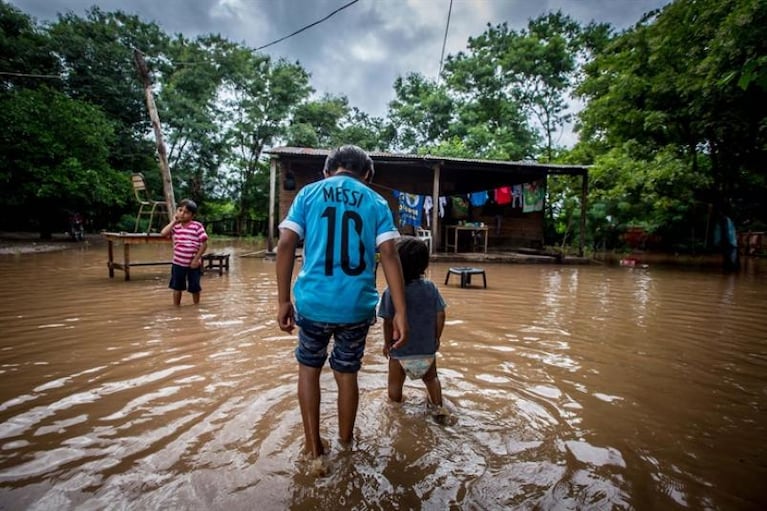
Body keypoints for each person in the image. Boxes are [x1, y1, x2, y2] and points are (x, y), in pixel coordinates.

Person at [276, 145, 409, 462]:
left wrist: (282, 300)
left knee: (308, 370)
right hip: (356, 308)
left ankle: (314, 449)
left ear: (327, 170)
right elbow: (389, 255)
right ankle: (346, 445)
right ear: (366, 175)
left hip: (312, 304)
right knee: (347, 374)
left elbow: (285, 244)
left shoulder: (309, 194)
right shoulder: (377, 201)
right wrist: (401, 312)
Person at [378, 236, 447, 414]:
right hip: (426, 351)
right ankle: (438, 408)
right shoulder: (431, 288)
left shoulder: (390, 292)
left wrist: (387, 344)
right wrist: (436, 338)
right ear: (424, 266)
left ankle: (395, 412)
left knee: (394, 385)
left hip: (400, 352)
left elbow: (387, 321)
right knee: (432, 380)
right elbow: (440, 314)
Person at [160, 198, 208, 306]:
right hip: (178, 263)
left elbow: (204, 244)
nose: (182, 214)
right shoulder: (176, 227)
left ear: (192, 215)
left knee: (195, 287)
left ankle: (196, 307)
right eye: (180, 210)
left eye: (186, 212)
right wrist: (173, 221)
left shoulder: (197, 226)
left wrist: (196, 260)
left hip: (193, 264)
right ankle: (176, 308)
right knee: (177, 287)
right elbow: (163, 233)